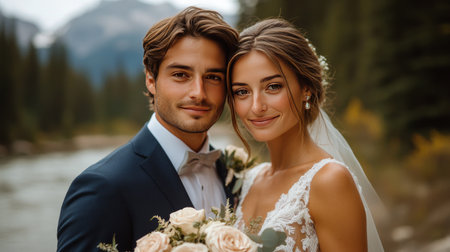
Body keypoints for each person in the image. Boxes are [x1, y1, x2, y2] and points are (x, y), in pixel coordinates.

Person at [57, 7, 238, 252]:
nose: (198, 92)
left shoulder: (232, 174)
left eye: (213, 77)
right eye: (181, 74)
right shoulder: (103, 187)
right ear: (151, 80)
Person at [227, 18, 384, 251]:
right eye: (242, 91)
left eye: (273, 86)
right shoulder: (248, 180)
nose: (256, 106)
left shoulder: (329, 181)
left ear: (306, 90)